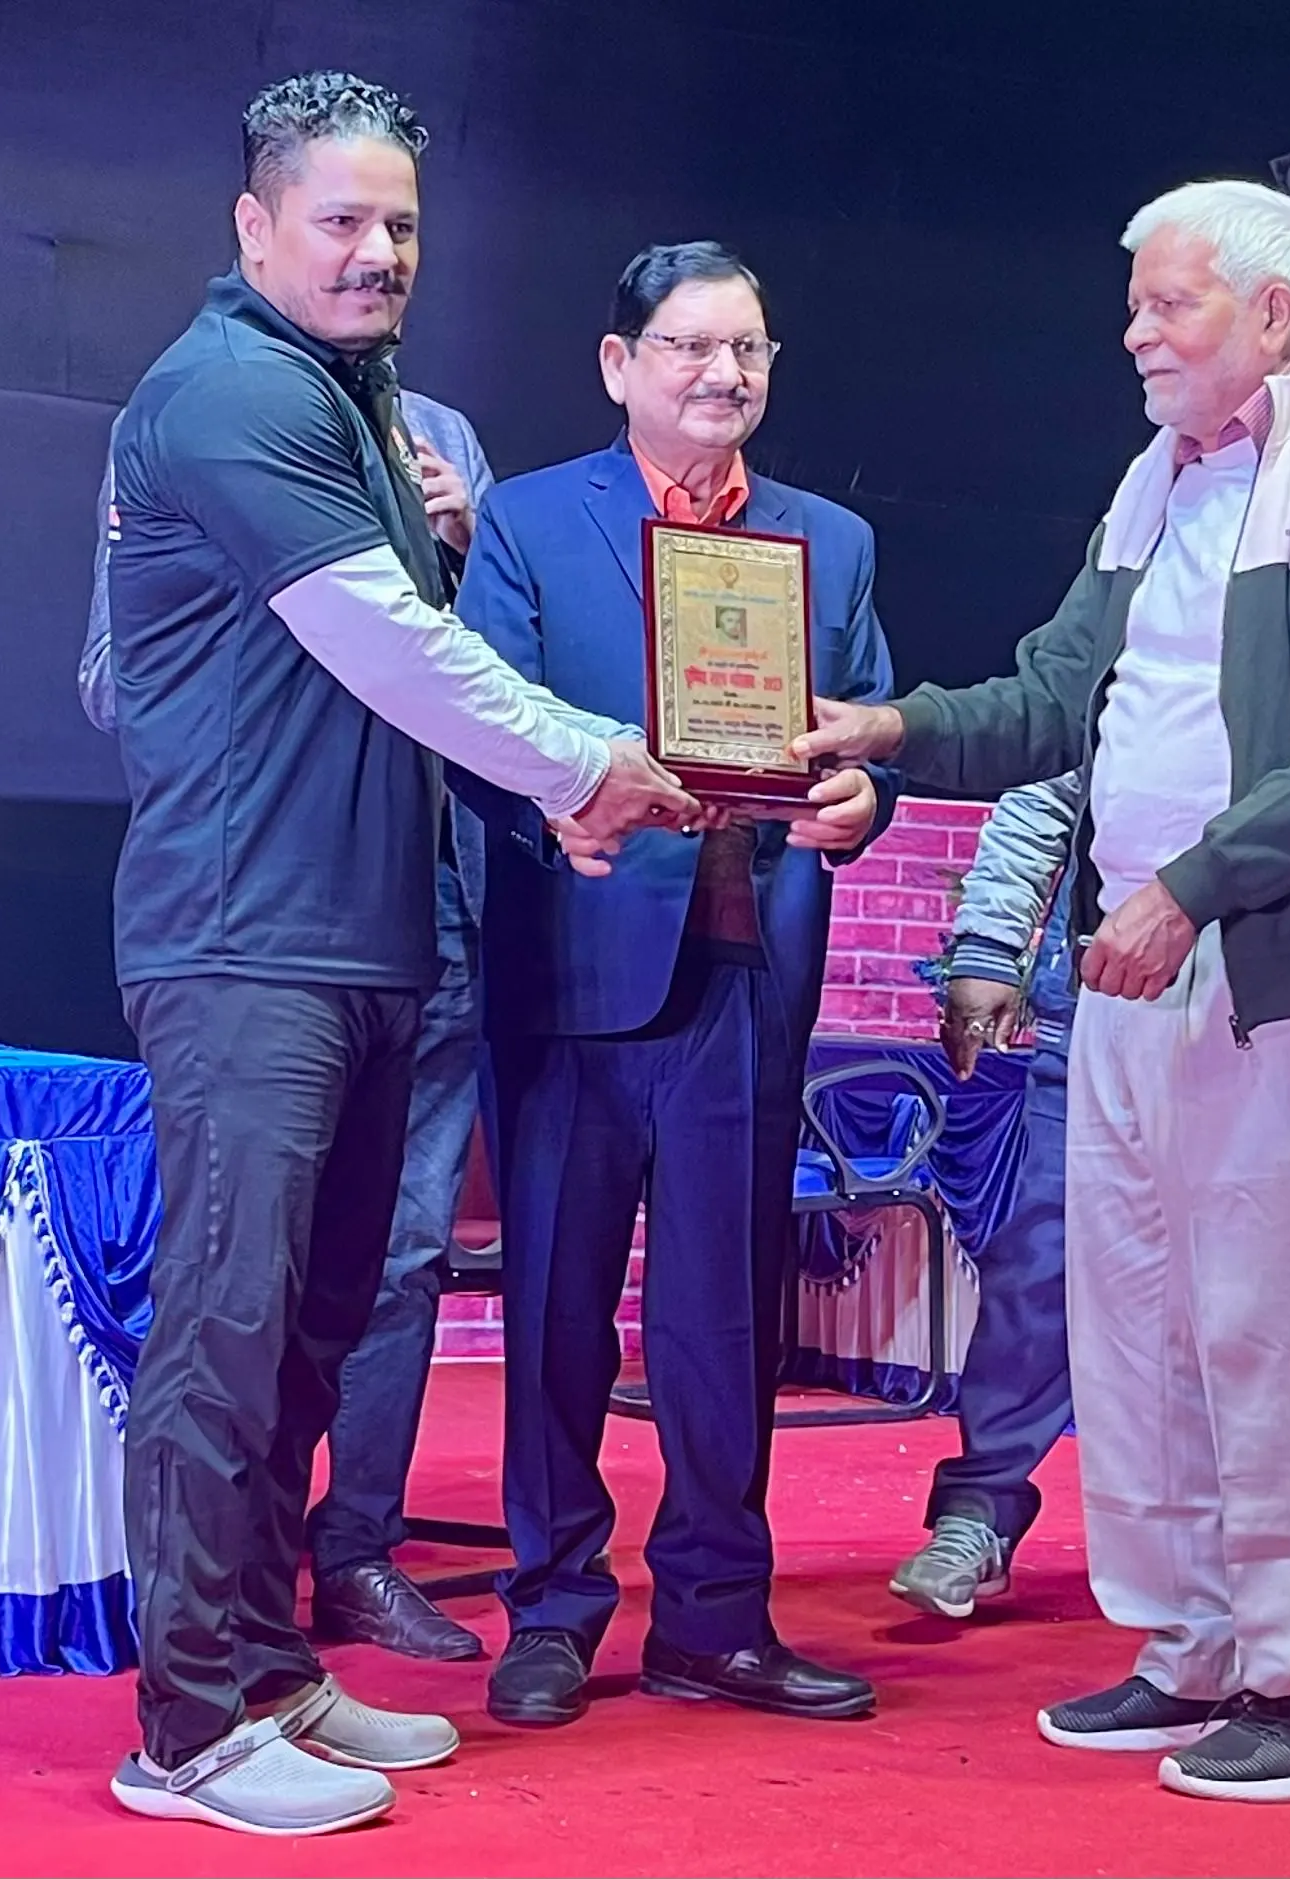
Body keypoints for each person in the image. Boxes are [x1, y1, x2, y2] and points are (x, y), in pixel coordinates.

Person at [794, 180, 1290, 1802]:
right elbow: (1060, 692)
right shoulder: (1155, 475)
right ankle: (1192, 1645)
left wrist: (1190, 889)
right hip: (1127, 960)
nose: (1134, 334)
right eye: (1134, 306)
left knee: (1260, 1320)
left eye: (1168, 303)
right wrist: (897, 728)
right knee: (1137, 1319)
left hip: (1275, 969)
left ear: (1270, 310)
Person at [104, 72, 695, 1838]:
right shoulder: (229, 391)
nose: (377, 251)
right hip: (245, 939)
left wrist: (540, 800)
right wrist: (585, 763)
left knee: (313, 1331)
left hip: (364, 940)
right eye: (341, 219)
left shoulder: (353, 402)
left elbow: (412, 685)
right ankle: (185, 1724)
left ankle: (268, 1664)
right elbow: (385, 643)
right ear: (254, 226)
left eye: (402, 224)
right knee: (226, 1331)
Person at [454, 241, 899, 1730]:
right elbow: (478, 730)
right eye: (690, 346)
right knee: (556, 1313)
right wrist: (559, 809)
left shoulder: (827, 541)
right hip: (575, 961)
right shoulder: (528, 522)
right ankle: (552, 1606)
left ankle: (715, 1614)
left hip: (742, 970)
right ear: (617, 364)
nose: (723, 374)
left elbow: (863, 736)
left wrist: (861, 805)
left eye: (747, 349)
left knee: (722, 1320)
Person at [890, 688, 1290, 1622]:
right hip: (1114, 990)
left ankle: (1245, 1567)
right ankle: (980, 1507)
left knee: (1267, 1303)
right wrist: (986, 947)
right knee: (1043, 1266)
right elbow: (1047, 786)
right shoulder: (1143, 614)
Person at [80, 391, 501, 1664]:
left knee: (397, 1253)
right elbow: (113, 680)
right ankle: (200, 1663)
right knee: (238, 1276)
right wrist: (315, 626)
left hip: (428, 904)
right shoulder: (207, 420)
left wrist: (464, 557)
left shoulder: (442, 436)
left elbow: (498, 679)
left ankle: (351, 1556)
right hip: (267, 913)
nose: (370, 280)